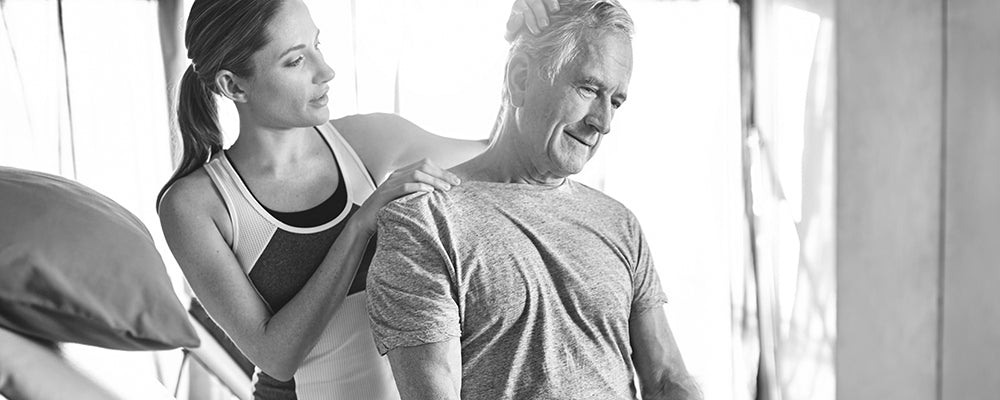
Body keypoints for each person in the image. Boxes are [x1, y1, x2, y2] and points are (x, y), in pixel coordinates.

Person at [156, 0, 551, 399]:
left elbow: (503, 162)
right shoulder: (195, 206)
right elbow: (276, 355)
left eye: (317, 45)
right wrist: (360, 225)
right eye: (295, 61)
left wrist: (528, 48)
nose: (325, 71)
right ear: (233, 86)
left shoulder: (369, 141)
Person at [365, 0, 703, 399]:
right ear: (521, 78)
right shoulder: (426, 223)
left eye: (615, 101)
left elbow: (666, 378)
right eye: (589, 89)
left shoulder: (619, 223)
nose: (604, 122)